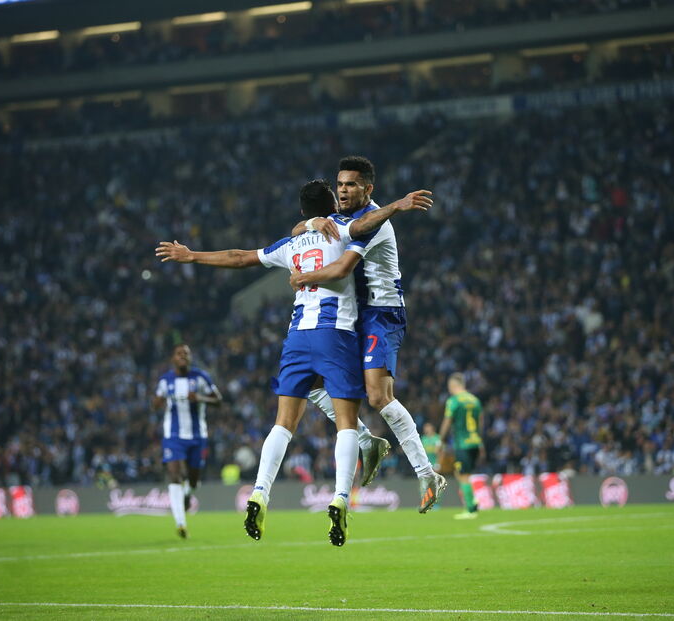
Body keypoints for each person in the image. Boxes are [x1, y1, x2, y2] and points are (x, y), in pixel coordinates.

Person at [156, 179, 428, 546]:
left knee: (284, 422)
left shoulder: (292, 242)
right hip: (336, 334)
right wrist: (397, 205)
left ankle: (259, 491)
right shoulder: (341, 230)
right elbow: (365, 224)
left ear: (301, 212)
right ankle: (340, 498)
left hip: (297, 337)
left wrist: (192, 256)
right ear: (332, 204)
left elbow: (240, 257)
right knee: (346, 422)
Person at [291, 155, 447, 513]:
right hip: (350, 315)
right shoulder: (336, 218)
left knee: (377, 396)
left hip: (380, 313)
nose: (344, 191)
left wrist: (396, 206)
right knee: (311, 381)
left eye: (351, 185)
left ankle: (427, 473)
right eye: (340, 185)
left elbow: (351, 248)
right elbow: (297, 231)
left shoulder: (377, 220)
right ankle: (367, 441)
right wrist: (314, 220)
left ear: (368, 189)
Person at [151, 343, 222, 539]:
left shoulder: (200, 377)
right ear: (173, 358)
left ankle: (188, 493)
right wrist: (158, 401)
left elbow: (218, 400)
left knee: (192, 479)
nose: (183, 356)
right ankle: (181, 523)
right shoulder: (165, 380)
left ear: (190, 358)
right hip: (173, 437)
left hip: (197, 436)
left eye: (186, 354)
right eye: (179, 354)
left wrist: (200, 398)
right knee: (174, 475)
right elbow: (154, 404)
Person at [438, 373, 485, 520]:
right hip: (475, 442)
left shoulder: (454, 401)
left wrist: (441, 440)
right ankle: (473, 499)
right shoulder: (475, 400)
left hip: (462, 443)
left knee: (463, 475)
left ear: (453, 385)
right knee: (463, 474)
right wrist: (481, 442)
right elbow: (481, 422)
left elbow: (447, 421)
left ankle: (470, 509)